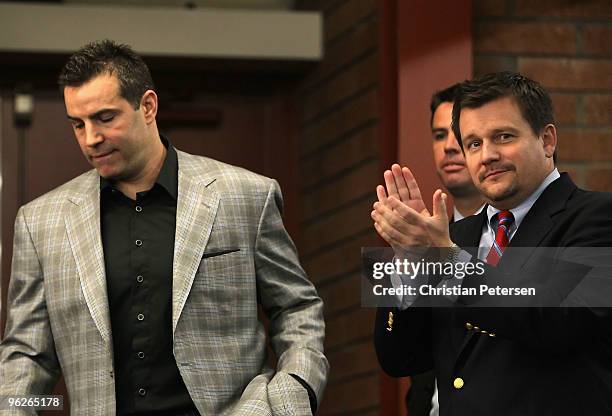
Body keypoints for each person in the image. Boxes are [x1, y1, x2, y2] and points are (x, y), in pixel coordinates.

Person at [0, 40, 328, 416]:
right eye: (78, 124)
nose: (90, 138)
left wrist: (292, 394)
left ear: (148, 106)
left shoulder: (245, 196)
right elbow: (27, 355)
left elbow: (297, 307)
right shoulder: (41, 222)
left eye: (105, 118)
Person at [371, 72, 612, 415]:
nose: (486, 156)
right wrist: (410, 261)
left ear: (547, 140)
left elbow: (556, 318)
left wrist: (446, 260)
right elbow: (399, 359)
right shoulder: (454, 236)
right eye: (473, 143)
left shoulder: (597, 216)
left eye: (503, 136)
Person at [404, 84, 485, 416]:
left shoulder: (528, 232)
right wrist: (406, 258)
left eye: (461, 135)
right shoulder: (422, 234)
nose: (450, 147)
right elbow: (399, 356)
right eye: (439, 135)